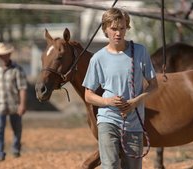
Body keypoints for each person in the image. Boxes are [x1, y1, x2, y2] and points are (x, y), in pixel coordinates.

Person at [82, 8, 158, 169]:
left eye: (122, 28)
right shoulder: (98, 59)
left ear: (127, 28)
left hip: (134, 123)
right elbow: (88, 95)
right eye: (114, 29)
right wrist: (107, 101)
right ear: (105, 30)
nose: (118, 33)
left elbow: (154, 85)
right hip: (107, 120)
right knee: (110, 166)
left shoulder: (140, 51)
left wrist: (136, 101)